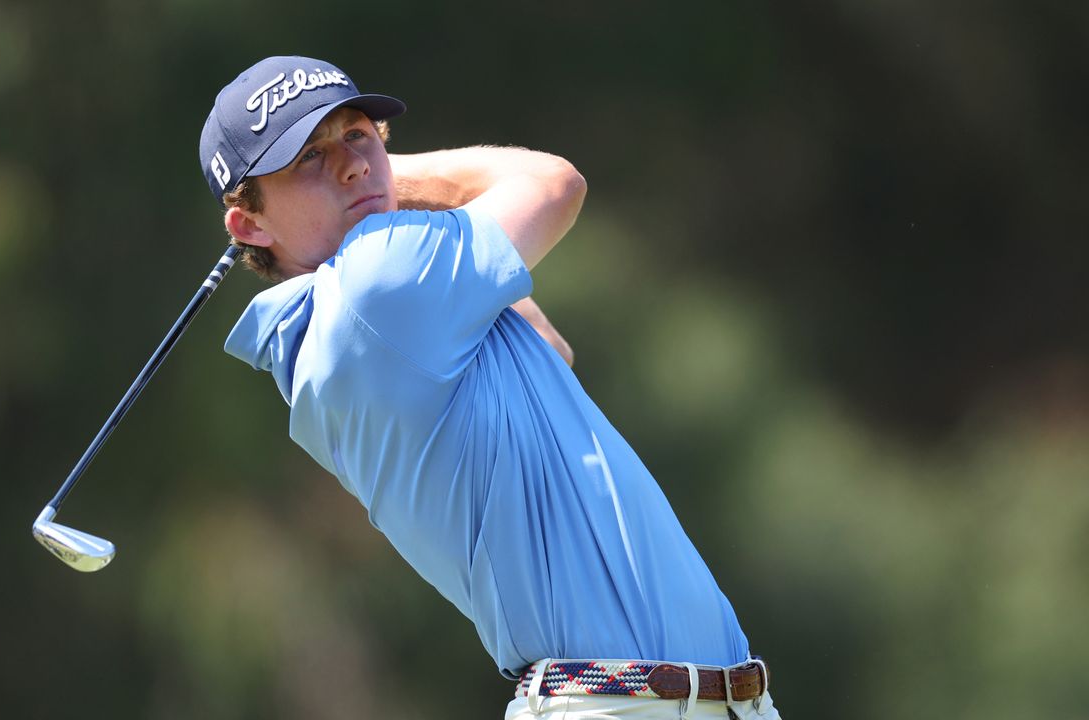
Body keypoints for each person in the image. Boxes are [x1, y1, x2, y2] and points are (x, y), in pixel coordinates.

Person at [198, 56, 782, 720]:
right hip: (622, 706)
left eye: (358, 134)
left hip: (706, 702)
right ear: (249, 225)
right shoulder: (374, 286)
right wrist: (395, 179)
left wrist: (365, 184)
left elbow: (552, 352)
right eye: (308, 156)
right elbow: (554, 182)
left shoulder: (382, 312)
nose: (352, 164)